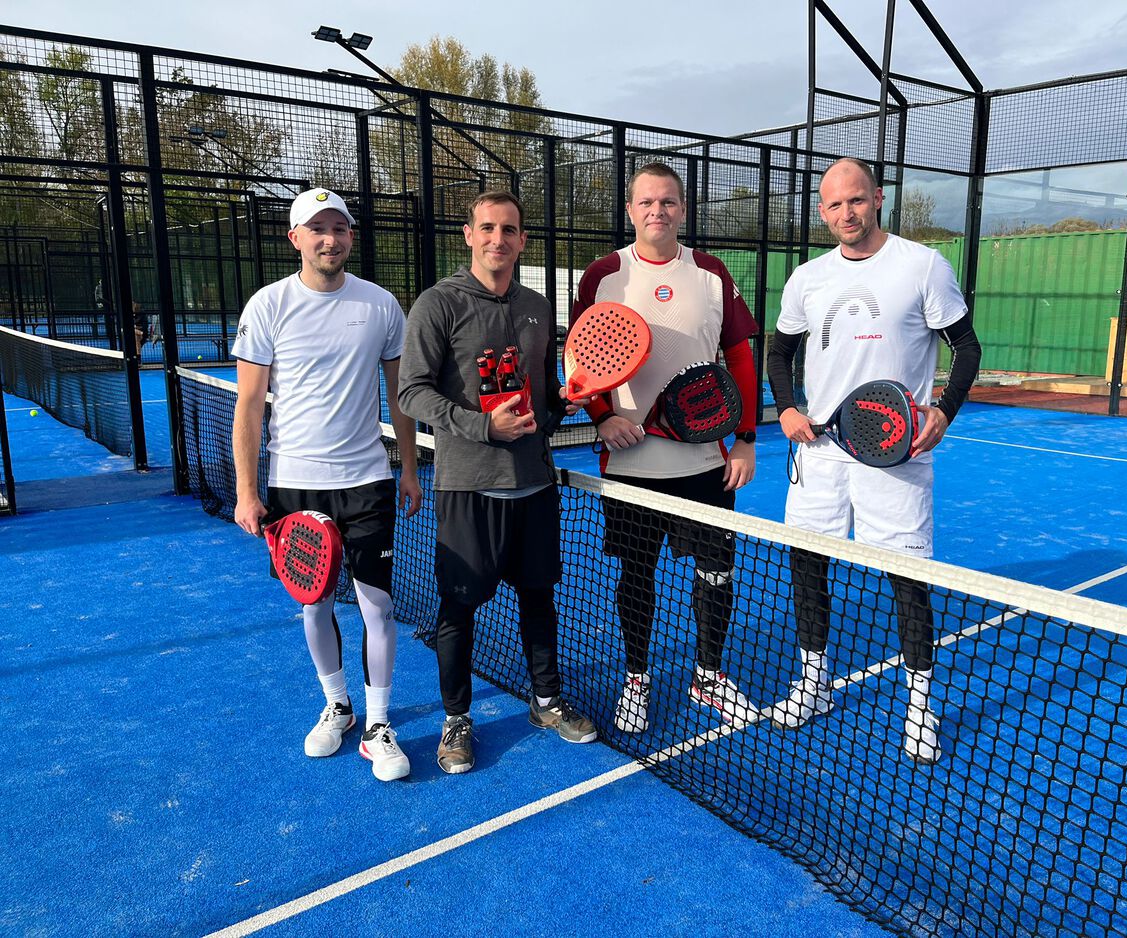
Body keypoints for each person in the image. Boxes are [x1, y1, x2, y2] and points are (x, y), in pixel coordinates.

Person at [765, 157, 982, 764]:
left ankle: (920, 704)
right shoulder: (806, 279)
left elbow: (966, 347)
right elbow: (779, 354)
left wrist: (944, 411)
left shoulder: (922, 265)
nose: (847, 213)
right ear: (822, 210)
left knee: (906, 576)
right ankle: (813, 682)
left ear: (878, 198)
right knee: (807, 564)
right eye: (834, 204)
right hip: (819, 455)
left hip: (896, 452)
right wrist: (786, 408)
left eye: (856, 200)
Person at [398, 190, 596, 775]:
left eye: (509, 230)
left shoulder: (537, 307)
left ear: (522, 240)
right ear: (468, 234)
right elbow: (411, 392)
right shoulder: (438, 304)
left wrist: (563, 400)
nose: (497, 239)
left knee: (539, 598)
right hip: (467, 487)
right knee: (458, 608)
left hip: (534, 484)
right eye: (487, 228)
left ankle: (546, 702)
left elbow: (541, 392)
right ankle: (456, 719)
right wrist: (483, 426)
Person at [232, 187, 422, 782]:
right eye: (316, 229)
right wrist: (246, 490)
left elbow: (401, 395)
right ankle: (338, 705)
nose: (329, 239)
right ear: (295, 239)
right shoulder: (267, 306)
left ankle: (378, 724)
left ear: (350, 237)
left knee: (377, 606)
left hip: (367, 480)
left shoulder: (381, 305)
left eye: (338, 228)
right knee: (313, 604)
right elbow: (248, 406)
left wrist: (409, 467)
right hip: (294, 485)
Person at [571, 162, 760, 733]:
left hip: (705, 463)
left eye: (669, 201)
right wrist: (602, 417)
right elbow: (581, 357)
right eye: (647, 202)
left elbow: (740, 357)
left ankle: (708, 676)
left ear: (683, 208)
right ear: (630, 210)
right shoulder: (603, 275)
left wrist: (745, 439)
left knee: (717, 572)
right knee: (636, 576)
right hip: (631, 464)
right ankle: (637, 679)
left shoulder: (710, 272)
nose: (658, 211)